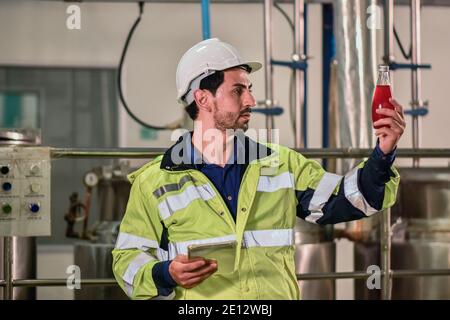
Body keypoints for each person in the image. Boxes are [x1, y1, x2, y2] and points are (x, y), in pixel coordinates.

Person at [112, 38, 405, 300]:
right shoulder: (155, 182)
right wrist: (166, 273)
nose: (251, 100)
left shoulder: (282, 165)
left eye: (249, 89)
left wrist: (384, 152)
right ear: (203, 98)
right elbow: (128, 261)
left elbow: (351, 198)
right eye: (238, 90)